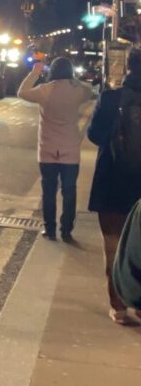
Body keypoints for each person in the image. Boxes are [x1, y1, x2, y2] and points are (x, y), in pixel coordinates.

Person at [86, 47, 141, 325]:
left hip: (111, 181)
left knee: (113, 245)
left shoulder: (111, 97)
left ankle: (118, 306)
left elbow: (94, 135)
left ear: (128, 66)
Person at [17, 56, 93, 241]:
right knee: (69, 190)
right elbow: (89, 89)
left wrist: (35, 72)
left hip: (47, 149)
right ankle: (66, 228)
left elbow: (21, 92)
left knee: (48, 191)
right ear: (70, 72)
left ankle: (49, 228)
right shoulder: (78, 91)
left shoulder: (44, 90)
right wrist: (73, 80)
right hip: (70, 150)